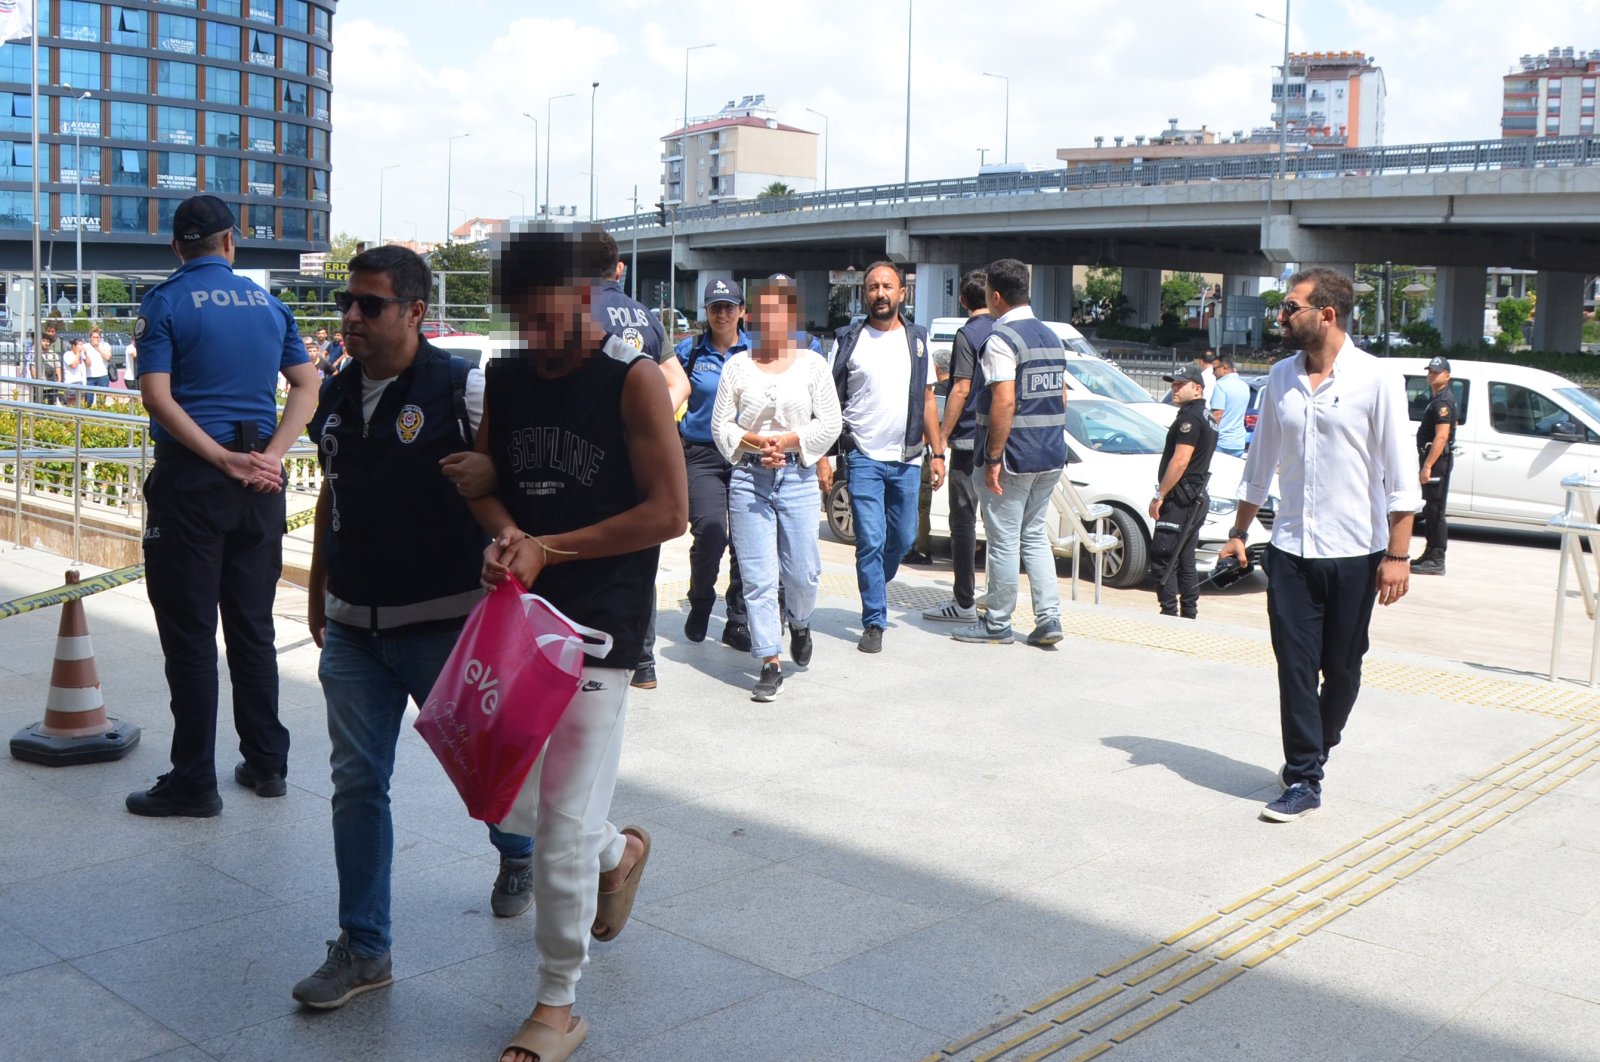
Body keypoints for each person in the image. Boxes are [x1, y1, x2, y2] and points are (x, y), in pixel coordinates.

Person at [290, 245, 535, 1012]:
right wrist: (319, 588)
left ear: (415, 312)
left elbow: (507, 485)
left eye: (370, 305)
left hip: (445, 630)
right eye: (346, 304)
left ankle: (519, 851)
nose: (352, 317)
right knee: (357, 784)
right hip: (354, 631)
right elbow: (335, 493)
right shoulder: (334, 393)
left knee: (486, 775)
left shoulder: (461, 387)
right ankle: (365, 948)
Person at [468, 223, 684, 1062]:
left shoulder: (631, 382)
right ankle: (616, 850)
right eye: (520, 318)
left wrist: (549, 548)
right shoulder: (508, 376)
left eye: (546, 314)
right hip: (518, 619)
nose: (535, 334)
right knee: (518, 800)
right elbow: (491, 486)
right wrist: (501, 533)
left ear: (584, 295)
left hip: (599, 621)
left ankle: (557, 1002)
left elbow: (670, 513)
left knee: (553, 826)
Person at [125, 194, 319, 817]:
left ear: (178, 248)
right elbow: (308, 383)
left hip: (194, 484)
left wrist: (217, 458)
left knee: (189, 635)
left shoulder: (164, 302)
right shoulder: (270, 304)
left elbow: (157, 397)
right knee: (252, 627)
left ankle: (194, 781)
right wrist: (271, 455)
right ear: (230, 244)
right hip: (261, 485)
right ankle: (267, 764)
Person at [1219, 268, 1420, 824]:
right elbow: (1259, 464)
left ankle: (1319, 741)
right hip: (1289, 548)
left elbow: (1403, 478)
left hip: (1357, 550)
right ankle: (1305, 775)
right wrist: (1239, 532)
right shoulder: (1280, 377)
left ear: (1325, 313)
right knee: (1295, 665)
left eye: (1290, 307)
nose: (1281, 317)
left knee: (1345, 666)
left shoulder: (1377, 379)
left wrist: (1398, 555)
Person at [711, 276, 841, 701]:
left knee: (802, 572)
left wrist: (786, 442)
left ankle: (800, 622)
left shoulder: (813, 365)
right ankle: (769, 659)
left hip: (799, 477)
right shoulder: (736, 367)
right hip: (749, 479)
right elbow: (721, 427)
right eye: (763, 311)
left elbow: (831, 423)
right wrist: (755, 445)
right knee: (757, 575)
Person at [817, 261, 944, 654]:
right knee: (870, 539)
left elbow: (926, 401)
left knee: (903, 537)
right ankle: (875, 619)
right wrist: (823, 456)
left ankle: (875, 584)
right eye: (873, 287)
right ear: (865, 293)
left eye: (887, 286)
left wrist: (937, 452)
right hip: (863, 456)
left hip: (907, 457)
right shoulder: (848, 339)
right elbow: (825, 401)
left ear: (902, 293)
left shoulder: (918, 340)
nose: (880, 294)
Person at [953, 258, 1067, 648]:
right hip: (1049, 455)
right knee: (1034, 536)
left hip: (1013, 457)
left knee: (1003, 540)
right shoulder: (1051, 336)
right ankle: (1048, 617)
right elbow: (1061, 394)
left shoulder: (1001, 340)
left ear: (996, 296)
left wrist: (994, 457)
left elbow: (1003, 401)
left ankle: (997, 623)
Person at [587, 231, 666, 690]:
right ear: (619, 268)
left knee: (591, 556)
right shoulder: (647, 316)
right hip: (642, 456)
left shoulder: (577, 311)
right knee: (640, 557)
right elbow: (677, 383)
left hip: (592, 455)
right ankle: (644, 661)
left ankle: (598, 654)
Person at [658, 277, 754, 651]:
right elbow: (663, 386)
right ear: (706, 312)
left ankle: (738, 619)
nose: (723, 313)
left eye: (730, 306)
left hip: (747, 454)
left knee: (748, 541)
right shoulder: (690, 351)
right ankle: (701, 602)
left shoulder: (756, 352)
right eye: (715, 307)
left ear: (742, 310)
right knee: (712, 532)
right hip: (701, 455)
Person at [924, 269, 992, 624]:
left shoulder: (967, 334)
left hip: (967, 441)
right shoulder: (1006, 330)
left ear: (963, 300)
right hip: (1000, 441)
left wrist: (941, 440)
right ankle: (997, 601)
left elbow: (961, 389)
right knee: (999, 525)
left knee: (963, 522)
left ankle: (963, 602)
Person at [1150, 365, 1218, 619]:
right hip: (1196, 497)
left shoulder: (1190, 419)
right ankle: (1189, 613)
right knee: (1185, 557)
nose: (1174, 389)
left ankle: (1168, 614)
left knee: (1164, 556)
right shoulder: (1207, 416)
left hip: (1180, 499)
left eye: (1181, 385)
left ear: (1197, 388)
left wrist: (1160, 495)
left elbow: (1180, 461)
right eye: (1173, 385)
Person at [1411, 356, 1456, 576]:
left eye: (1436, 372)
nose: (1431, 375)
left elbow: (1441, 437)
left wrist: (1428, 466)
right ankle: (1429, 554)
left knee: (1436, 510)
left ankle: (1437, 558)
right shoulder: (1438, 398)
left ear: (1447, 376)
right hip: (1435, 461)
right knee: (1430, 508)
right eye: (1430, 371)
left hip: (1438, 463)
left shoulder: (1443, 402)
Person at [1209, 352, 1250, 457]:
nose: (1213, 373)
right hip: (1238, 441)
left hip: (1221, 442)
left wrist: (1207, 437)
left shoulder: (1221, 386)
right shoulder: (1244, 386)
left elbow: (1217, 414)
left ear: (1224, 368)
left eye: (1214, 369)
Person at [61, 338, 88, 406]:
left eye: (82, 345)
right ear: (73, 346)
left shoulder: (81, 355)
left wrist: (85, 354)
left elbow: (89, 364)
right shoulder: (67, 355)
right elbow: (74, 365)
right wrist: (78, 353)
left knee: (81, 404)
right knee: (72, 405)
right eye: (80, 345)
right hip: (71, 383)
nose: (81, 347)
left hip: (81, 382)